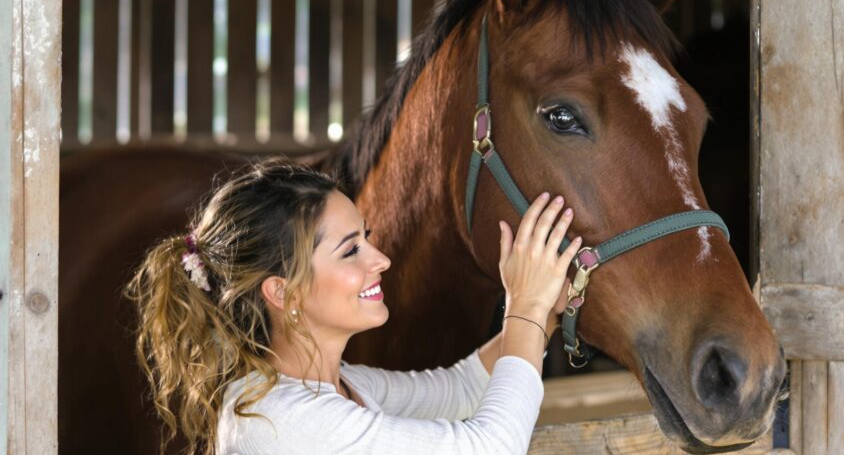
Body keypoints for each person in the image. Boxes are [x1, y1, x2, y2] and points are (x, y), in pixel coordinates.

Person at [127, 158, 582, 454]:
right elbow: (492, 447)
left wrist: (543, 312)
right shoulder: (282, 420)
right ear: (283, 293)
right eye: (350, 251)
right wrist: (523, 304)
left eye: (368, 238)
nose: (380, 260)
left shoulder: (337, 388)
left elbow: (462, 390)